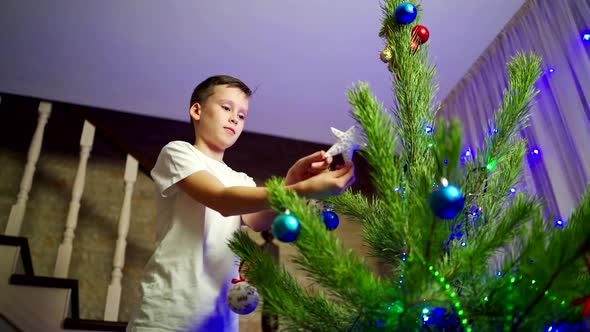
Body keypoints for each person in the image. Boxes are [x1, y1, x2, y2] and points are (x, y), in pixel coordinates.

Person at [127, 75, 355, 332]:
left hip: (221, 320)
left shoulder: (240, 179)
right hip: (168, 313)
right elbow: (222, 200)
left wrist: (292, 179)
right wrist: (299, 189)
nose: (235, 118)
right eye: (227, 108)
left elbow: (259, 219)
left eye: (242, 115)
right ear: (197, 110)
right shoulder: (179, 152)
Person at [259, 230, 279, 332]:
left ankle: (274, 327)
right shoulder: (262, 247)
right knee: (267, 305)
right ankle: (267, 328)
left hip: (274, 280)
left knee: (273, 305)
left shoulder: (276, 248)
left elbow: (277, 263)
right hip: (266, 280)